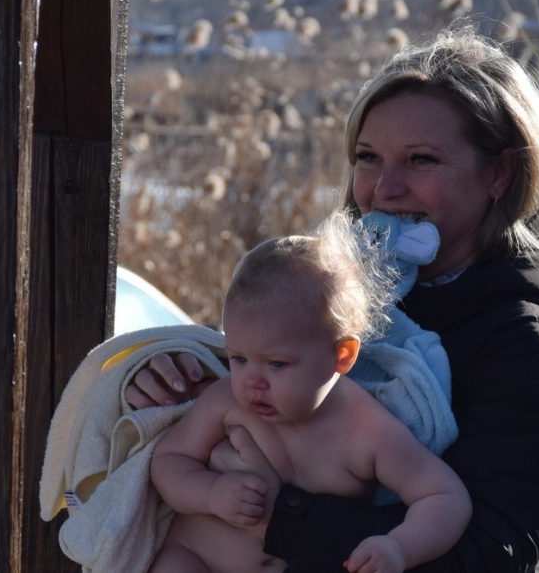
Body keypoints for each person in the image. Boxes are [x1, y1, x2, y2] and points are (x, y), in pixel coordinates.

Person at [128, 26, 539, 572]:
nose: (384, 189)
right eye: (367, 157)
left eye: (422, 160)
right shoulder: (349, 290)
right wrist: (186, 385)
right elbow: (272, 386)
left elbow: (484, 555)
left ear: (499, 173)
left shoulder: (534, 351)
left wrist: (275, 512)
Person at [147, 212, 472, 573]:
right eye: (238, 358)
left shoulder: (367, 430)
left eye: (277, 364)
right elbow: (168, 461)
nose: (252, 381)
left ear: (342, 356)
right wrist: (209, 493)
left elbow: (445, 496)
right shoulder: (226, 401)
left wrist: (399, 546)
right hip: (196, 556)